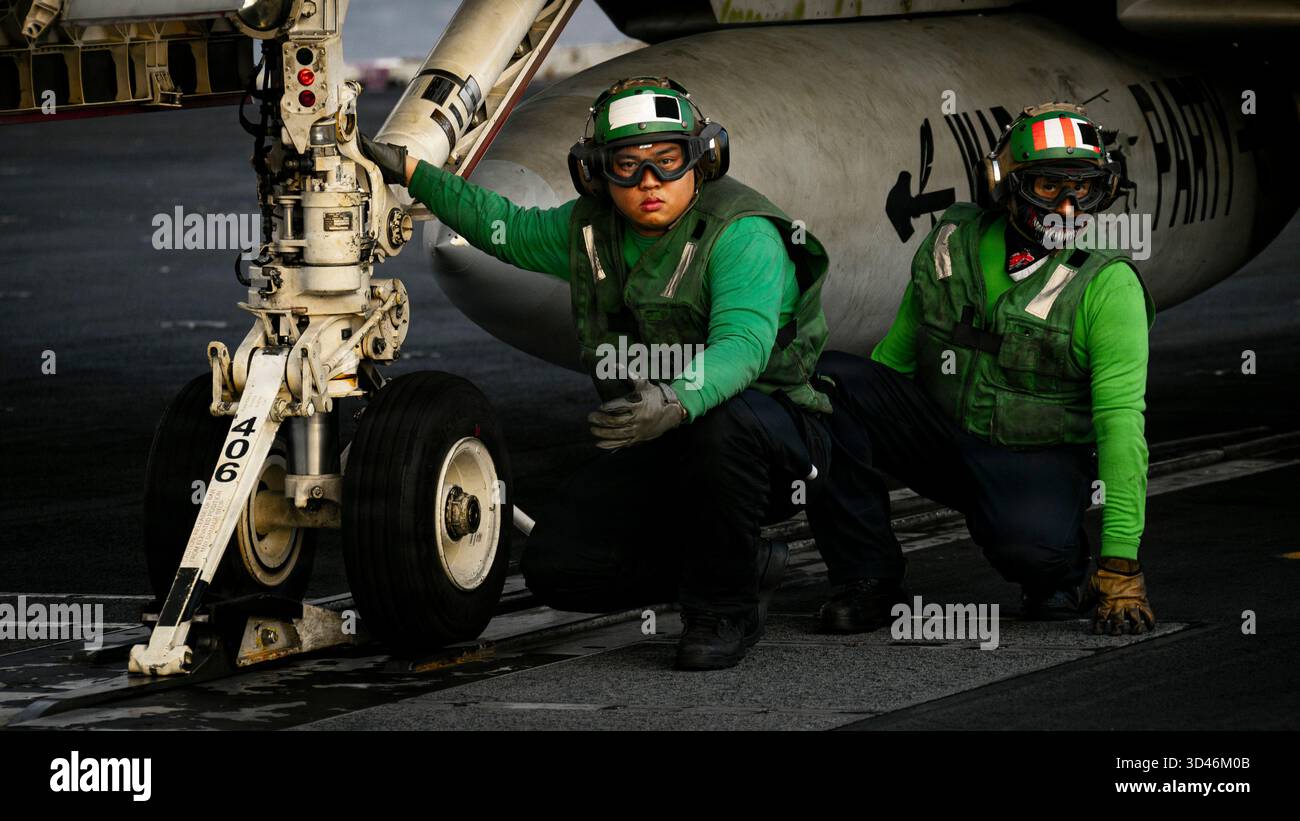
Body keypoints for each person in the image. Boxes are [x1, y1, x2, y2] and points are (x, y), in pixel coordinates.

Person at [361, 77, 834, 669]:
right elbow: (502, 227)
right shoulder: (589, 231)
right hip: (668, 435)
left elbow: (742, 346)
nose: (648, 184)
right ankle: (741, 563)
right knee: (557, 567)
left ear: (704, 158)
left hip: (772, 436)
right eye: (626, 167)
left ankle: (722, 610)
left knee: (721, 428)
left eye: (668, 162)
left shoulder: (742, 235)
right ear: (595, 173)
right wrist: (413, 172)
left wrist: (673, 401)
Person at [810, 102, 1157, 636]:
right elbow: (894, 360)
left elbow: (1120, 425)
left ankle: (1064, 572)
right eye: (1048, 188)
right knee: (832, 384)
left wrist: (1122, 563)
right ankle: (868, 579)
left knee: (1035, 558)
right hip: (947, 438)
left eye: (1083, 190)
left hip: (1033, 457)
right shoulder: (953, 243)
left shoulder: (1107, 287)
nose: (1068, 207)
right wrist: (811, 441)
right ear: (1005, 182)